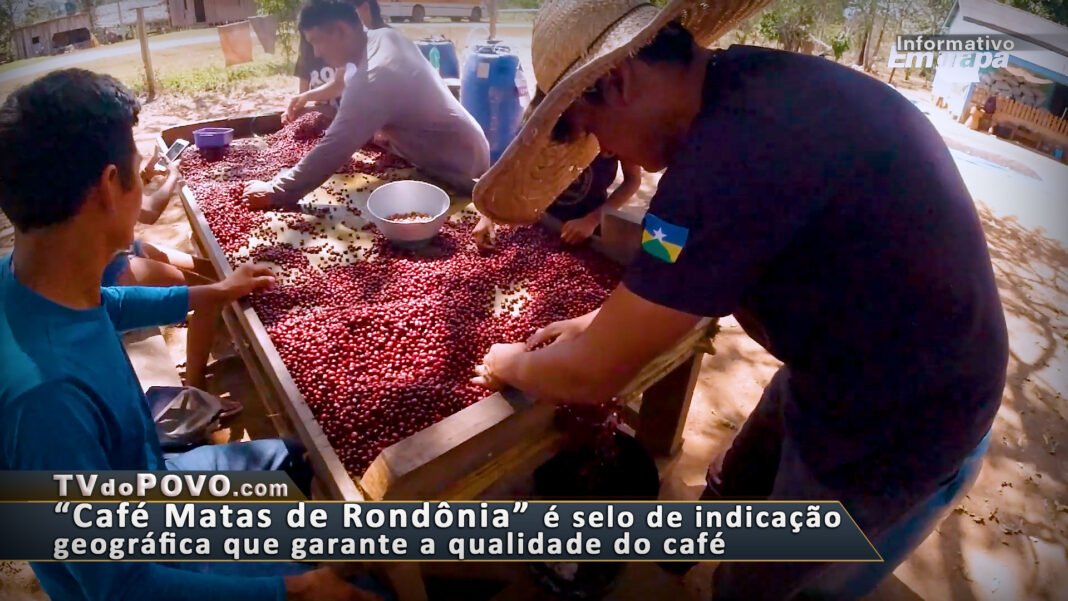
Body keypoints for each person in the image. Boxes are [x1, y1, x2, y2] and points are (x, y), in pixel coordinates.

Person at [470, 1, 1008, 599]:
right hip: (844, 354)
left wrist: (506, 361)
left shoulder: (720, 167)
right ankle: (679, 561)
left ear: (617, 81)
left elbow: (590, 377)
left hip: (905, 414)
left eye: (592, 130)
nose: (600, 147)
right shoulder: (751, 84)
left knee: (761, 581)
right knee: (736, 481)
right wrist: (600, 321)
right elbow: (714, 258)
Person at [0, 68, 382, 601]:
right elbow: (119, 587)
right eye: (138, 169)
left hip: (147, 478)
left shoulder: (31, 279)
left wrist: (214, 292)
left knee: (293, 458)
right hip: (151, 560)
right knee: (363, 586)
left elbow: (103, 307)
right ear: (111, 187)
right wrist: (296, 590)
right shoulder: (44, 403)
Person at [244, 0, 489, 210]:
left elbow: (335, 146)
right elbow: (349, 90)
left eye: (316, 41)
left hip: (459, 166)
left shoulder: (376, 76)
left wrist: (276, 191)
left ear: (340, 31)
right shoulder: (383, 37)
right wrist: (311, 104)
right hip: (460, 147)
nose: (316, 53)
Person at [472, 146, 642, 248]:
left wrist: (592, 220)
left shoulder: (617, 126)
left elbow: (632, 180)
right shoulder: (547, 123)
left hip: (587, 226)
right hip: (540, 222)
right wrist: (489, 214)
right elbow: (512, 169)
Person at [289, 0, 390, 122]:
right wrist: (305, 97)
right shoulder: (350, 51)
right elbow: (339, 84)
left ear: (365, 9)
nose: (317, 53)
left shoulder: (386, 46)